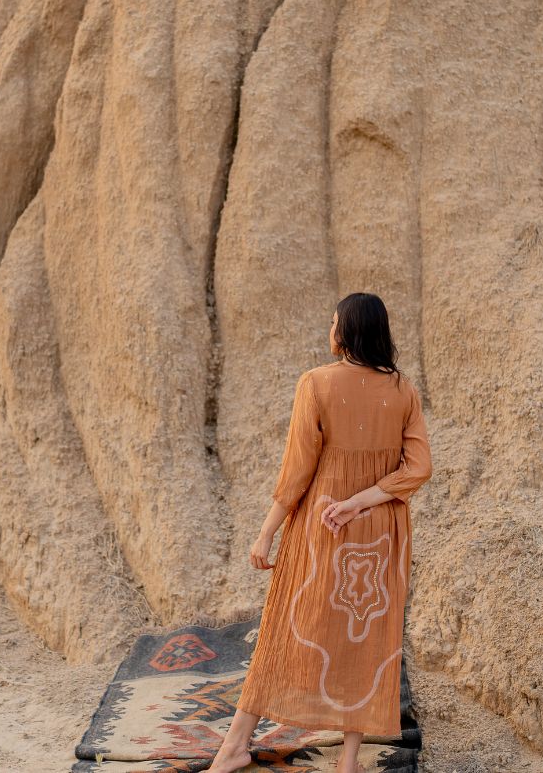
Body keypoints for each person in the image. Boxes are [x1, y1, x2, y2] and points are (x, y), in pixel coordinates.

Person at [206, 292, 433, 773]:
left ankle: (234, 745)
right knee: (366, 639)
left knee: (285, 630)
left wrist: (266, 533)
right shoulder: (404, 391)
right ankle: (347, 761)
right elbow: (419, 468)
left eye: (334, 322)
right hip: (382, 533)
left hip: (322, 525)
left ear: (346, 331)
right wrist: (365, 500)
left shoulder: (315, 384)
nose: (329, 329)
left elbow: (296, 473)